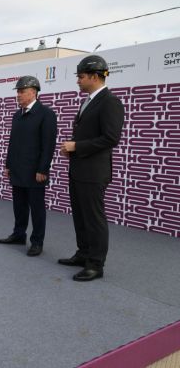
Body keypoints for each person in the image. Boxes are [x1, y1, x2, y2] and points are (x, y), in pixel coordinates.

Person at [59, 55, 124, 282]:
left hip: (94, 172)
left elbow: (110, 138)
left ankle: (96, 264)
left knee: (94, 218)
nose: (78, 80)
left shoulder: (110, 102)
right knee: (80, 215)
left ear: (94, 77)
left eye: (81, 76)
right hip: (79, 169)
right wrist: (73, 150)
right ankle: (83, 253)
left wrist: (77, 145)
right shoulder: (88, 100)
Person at [0, 76, 57, 256]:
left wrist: (43, 169)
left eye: (22, 91)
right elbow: (13, 143)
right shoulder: (18, 114)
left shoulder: (46, 114)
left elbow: (48, 145)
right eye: (18, 91)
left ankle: (37, 241)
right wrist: (8, 165)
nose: (18, 95)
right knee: (19, 206)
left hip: (34, 172)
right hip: (17, 169)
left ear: (33, 92)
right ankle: (18, 234)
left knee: (37, 209)